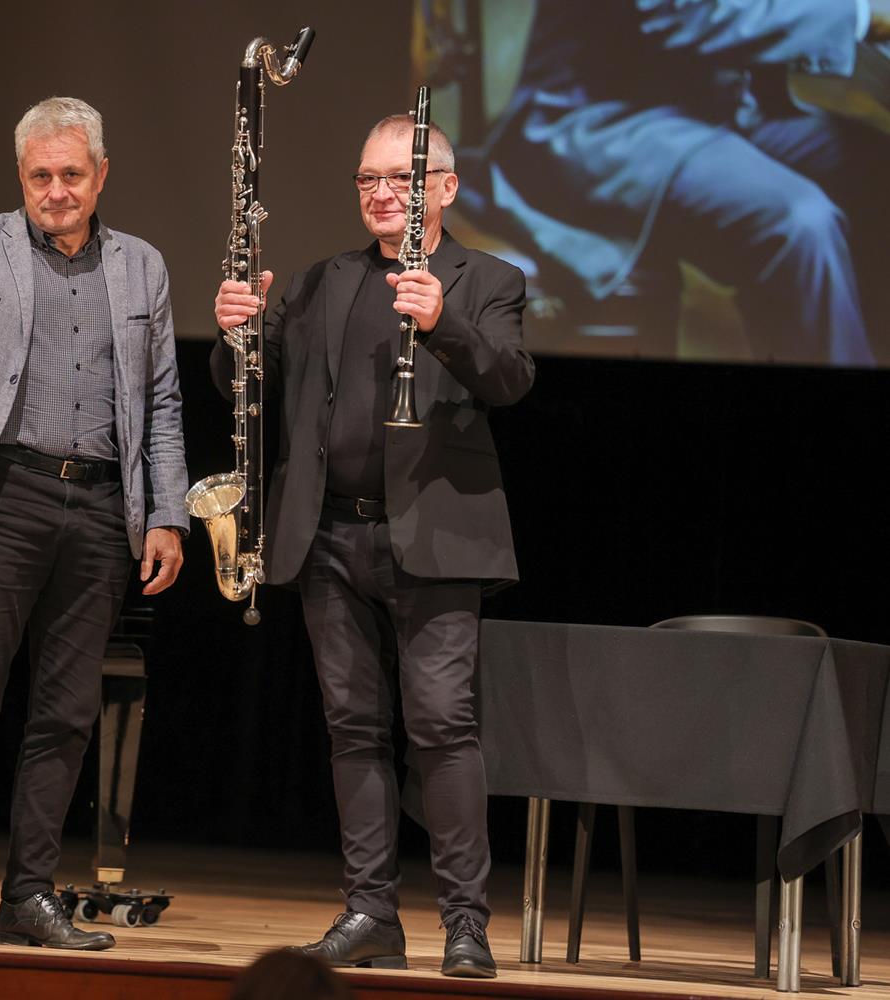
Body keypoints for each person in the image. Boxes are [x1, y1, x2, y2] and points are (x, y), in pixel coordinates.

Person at [213, 115, 533, 977]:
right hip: (327, 535)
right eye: (367, 179)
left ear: (444, 188)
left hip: (433, 540)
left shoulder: (488, 279)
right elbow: (252, 388)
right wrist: (237, 334)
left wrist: (445, 323)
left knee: (442, 727)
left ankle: (465, 924)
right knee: (353, 730)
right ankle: (371, 913)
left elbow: (510, 379)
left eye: (400, 177)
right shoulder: (322, 281)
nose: (381, 193)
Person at [0, 96, 188, 951]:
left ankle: (28, 897)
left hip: (100, 508)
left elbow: (164, 399)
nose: (57, 191)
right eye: (40, 176)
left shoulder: (142, 266)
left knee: (66, 713)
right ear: (20, 177)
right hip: (0, 497)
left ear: (102, 175)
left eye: (72, 174)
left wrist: (167, 514)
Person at [475, 0, 890, 366]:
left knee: (875, 171)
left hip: (718, 104)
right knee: (800, 222)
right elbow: (676, 14)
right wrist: (860, 13)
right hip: (609, 120)